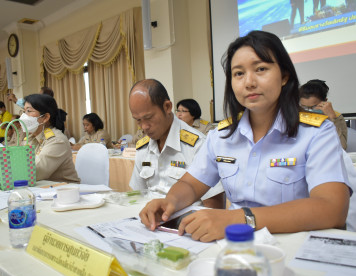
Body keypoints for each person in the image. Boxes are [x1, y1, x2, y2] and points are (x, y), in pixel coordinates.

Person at [139, 31, 351, 242]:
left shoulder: (316, 133)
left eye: (261, 69)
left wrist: (241, 219)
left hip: (294, 247)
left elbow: (331, 209)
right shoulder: (221, 136)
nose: (249, 82)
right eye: (238, 73)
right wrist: (170, 202)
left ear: (284, 76)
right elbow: (191, 184)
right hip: (234, 246)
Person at [129, 79, 224, 208]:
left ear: (167, 107)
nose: (144, 127)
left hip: (186, 222)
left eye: (149, 117)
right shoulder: (143, 148)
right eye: (138, 120)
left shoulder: (198, 145)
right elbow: (136, 195)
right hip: (150, 220)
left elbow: (214, 208)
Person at [20, 94, 80, 183]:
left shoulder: (57, 140)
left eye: (29, 111)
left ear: (45, 117)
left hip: (64, 190)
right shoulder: (30, 138)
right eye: (23, 111)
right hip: (42, 189)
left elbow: (36, 172)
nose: (24, 116)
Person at [299, 79, 348, 150]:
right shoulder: (296, 115)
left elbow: (342, 147)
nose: (309, 111)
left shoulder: (336, 116)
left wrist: (332, 119)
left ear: (325, 102)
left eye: (313, 106)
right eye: (304, 106)